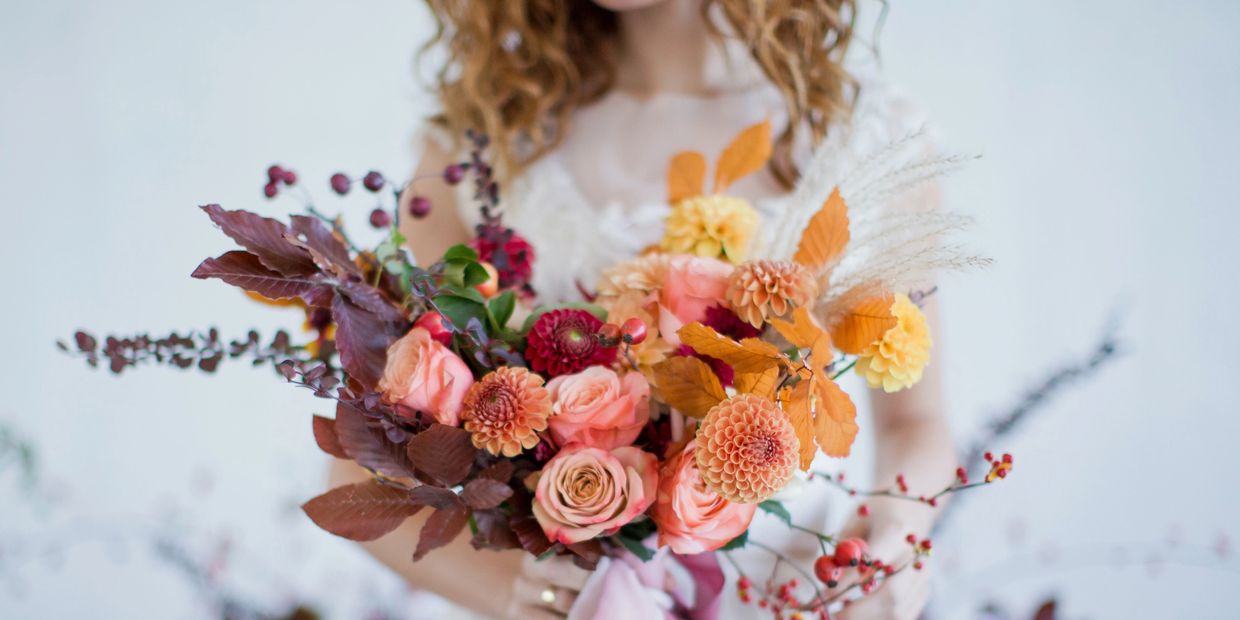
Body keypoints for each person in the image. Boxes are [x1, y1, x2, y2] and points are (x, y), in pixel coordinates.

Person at [331, 1, 957, 618]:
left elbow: (915, 424)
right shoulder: (482, 146)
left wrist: (897, 536)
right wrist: (521, 593)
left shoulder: (869, 137)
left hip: (795, 594)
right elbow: (354, 475)